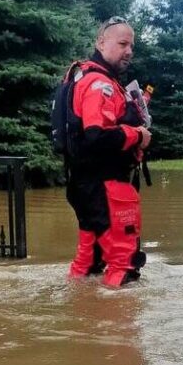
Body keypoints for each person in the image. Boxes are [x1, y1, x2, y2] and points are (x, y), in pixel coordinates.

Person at [64, 17, 151, 288]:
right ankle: (116, 330)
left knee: (88, 262)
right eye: (123, 43)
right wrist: (139, 135)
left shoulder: (90, 78)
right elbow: (97, 135)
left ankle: (78, 320)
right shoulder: (99, 84)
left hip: (86, 185)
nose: (129, 51)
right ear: (101, 42)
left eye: (132, 46)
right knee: (124, 264)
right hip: (105, 188)